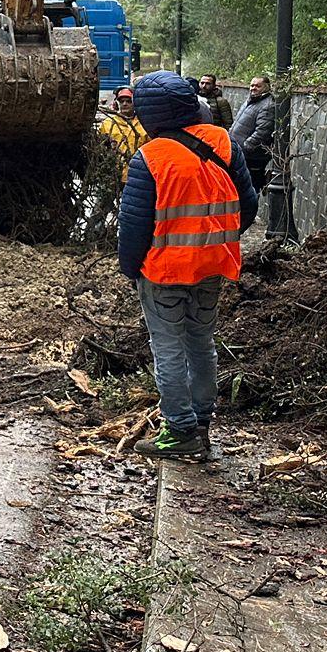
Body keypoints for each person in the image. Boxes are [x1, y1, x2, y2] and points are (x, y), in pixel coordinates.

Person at [117, 71, 260, 459]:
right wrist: (216, 237)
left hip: (164, 271)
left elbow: (133, 226)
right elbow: (249, 206)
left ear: (151, 116)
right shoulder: (224, 143)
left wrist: (131, 268)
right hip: (213, 265)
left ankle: (179, 430)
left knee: (168, 349)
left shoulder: (151, 158)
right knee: (201, 344)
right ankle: (201, 425)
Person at [229, 74, 277, 193]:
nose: (253, 88)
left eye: (257, 86)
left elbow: (262, 132)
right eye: (252, 85)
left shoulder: (268, 105)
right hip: (241, 153)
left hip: (252, 157)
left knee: (250, 188)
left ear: (266, 87)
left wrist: (246, 147)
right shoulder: (251, 101)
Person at [97, 86, 146, 165]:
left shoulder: (144, 124)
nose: (124, 104)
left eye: (129, 101)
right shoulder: (107, 124)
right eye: (121, 101)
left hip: (138, 171)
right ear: (116, 103)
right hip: (114, 170)